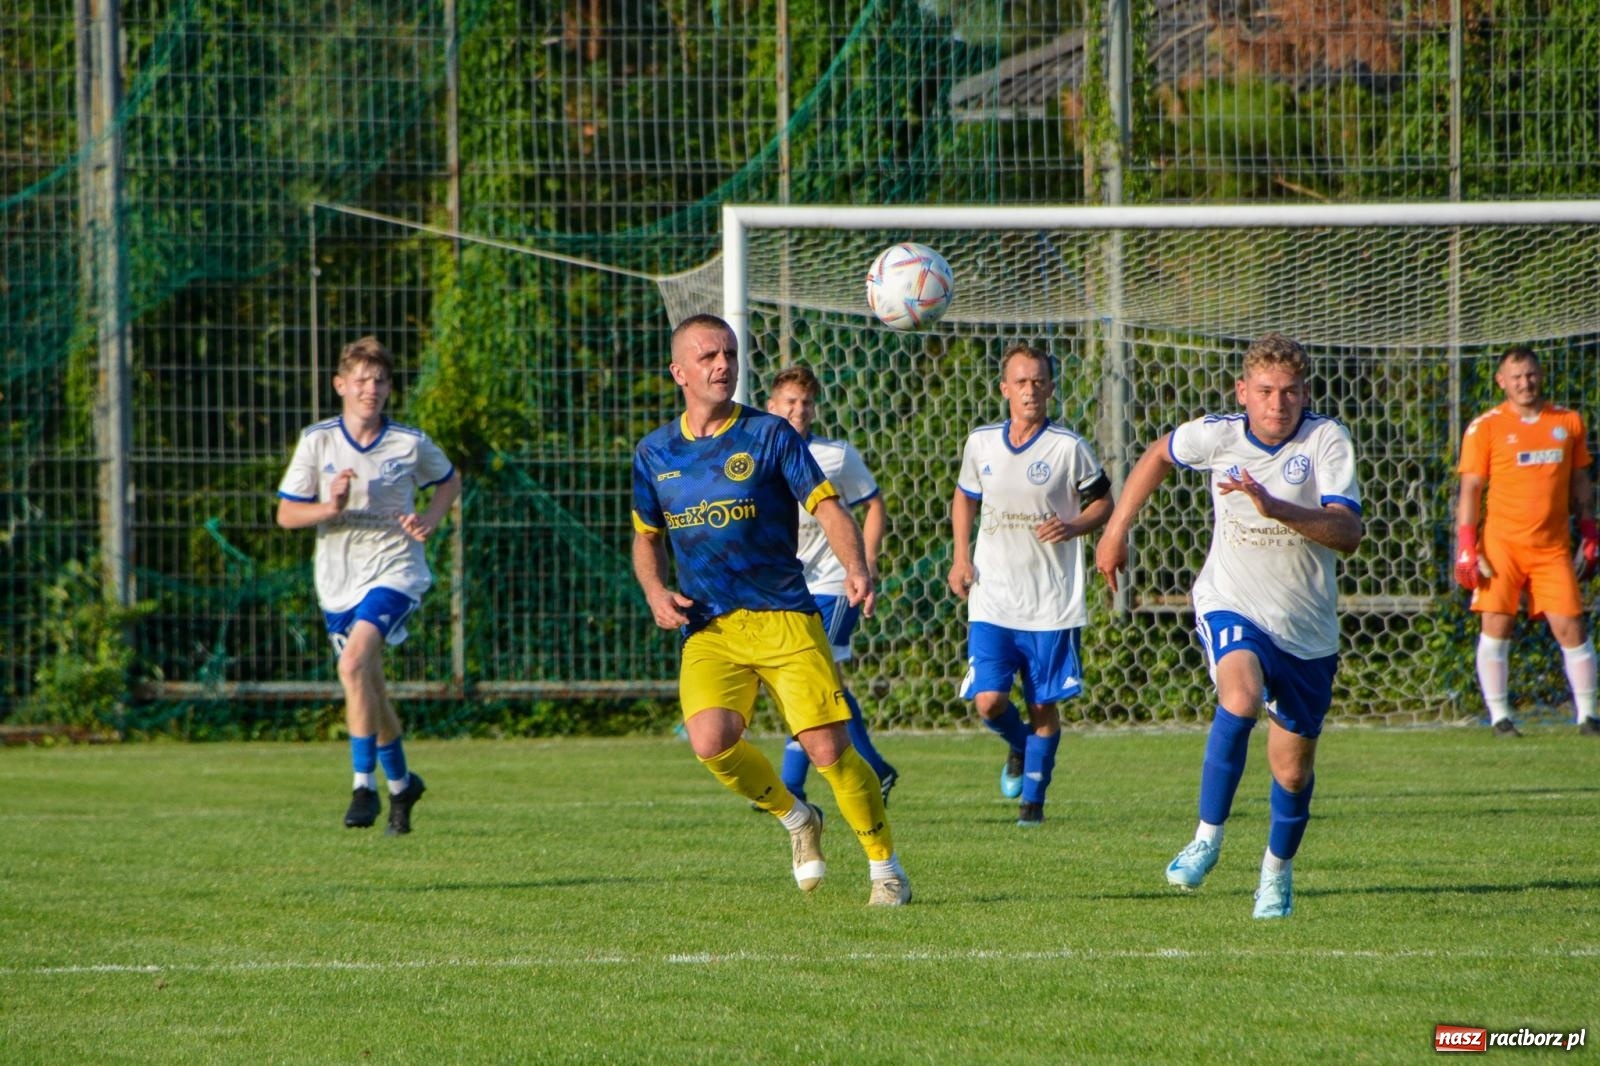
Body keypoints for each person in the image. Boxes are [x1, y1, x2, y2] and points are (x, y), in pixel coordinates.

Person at [630, 314, 911, 906]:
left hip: (784, 615)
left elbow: (830, 507)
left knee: (828, 750)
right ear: (679, 371)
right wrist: (656, 592)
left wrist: (857, 567)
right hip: (709, 625)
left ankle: (885, 868)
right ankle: (796, 818)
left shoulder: (770, 435)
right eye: (708, 356)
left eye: (729, 353)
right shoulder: (655, 453)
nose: (722, 364)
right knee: (711, 742)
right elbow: (646, 536)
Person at [1095, 332, 1362, 919]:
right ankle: (1206, 838)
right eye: (1265, 391)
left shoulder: (1325, 440)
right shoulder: (1217, 434)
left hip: (1307, 629)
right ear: (1243, 391)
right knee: (1238, 700)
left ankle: (1275, 875)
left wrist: (1277, 507)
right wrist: (1115, 531)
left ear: (1305, 393)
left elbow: (1348, 533)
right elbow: (1159, 454)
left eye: (1290, 392)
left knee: (1291, 772)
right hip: (1232, 601)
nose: (1277, 403)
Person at [276, 335, 461, 835]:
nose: (370, 389)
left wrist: (431, 518)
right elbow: (287, 514)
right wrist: (329, 508)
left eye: (379, 380)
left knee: (353, 663)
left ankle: (364, 786)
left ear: (389, 388)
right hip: (337, 578)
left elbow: (448, 480)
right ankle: (402, 786)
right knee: (367, 684)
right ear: (340, 385)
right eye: (360, 380)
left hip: (396, 569)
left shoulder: (409, 442)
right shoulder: (319, 441)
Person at [947, 343, 1114, 827]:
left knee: (1043, 704)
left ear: (1050, 388)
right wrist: (961, 556)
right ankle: (1021, 747)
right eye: (1020, 382)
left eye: (1039, 381)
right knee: (988, 700)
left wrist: (1076, 526)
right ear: (1005, 390)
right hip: (993, 596)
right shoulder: (981, 443)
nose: (1030, 391)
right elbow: (964, 497)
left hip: (1050, 602)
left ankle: (1032, 809)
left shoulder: (1067, 447)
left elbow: (1103, 502)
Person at [765, 364, 900, 807]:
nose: (799, 410)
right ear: (772, 407)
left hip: (831, 584)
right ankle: (875, 768)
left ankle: (793, 783)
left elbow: (873, 504)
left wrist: (865, 563)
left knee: (817, 677)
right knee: (812, 683)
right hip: (785, 590)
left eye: (806, 403)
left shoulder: (834, 456)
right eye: (790, 402)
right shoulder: (758, 457)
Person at [1453, 346, 1600, 737]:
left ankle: (1588, 716)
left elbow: (1581, 483)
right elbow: (1470, 487)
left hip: (1552, 547)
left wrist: (1589, 532)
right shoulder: (1485, 427)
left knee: (1572, 626)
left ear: (1541, 375)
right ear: (1501, 381)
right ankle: (1500, 717)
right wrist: (1467, 544)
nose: (1524, 383)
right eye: (1515, 377)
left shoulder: (1567, 422)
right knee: (1496, 626)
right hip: (1502, 547)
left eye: (1530, 374)